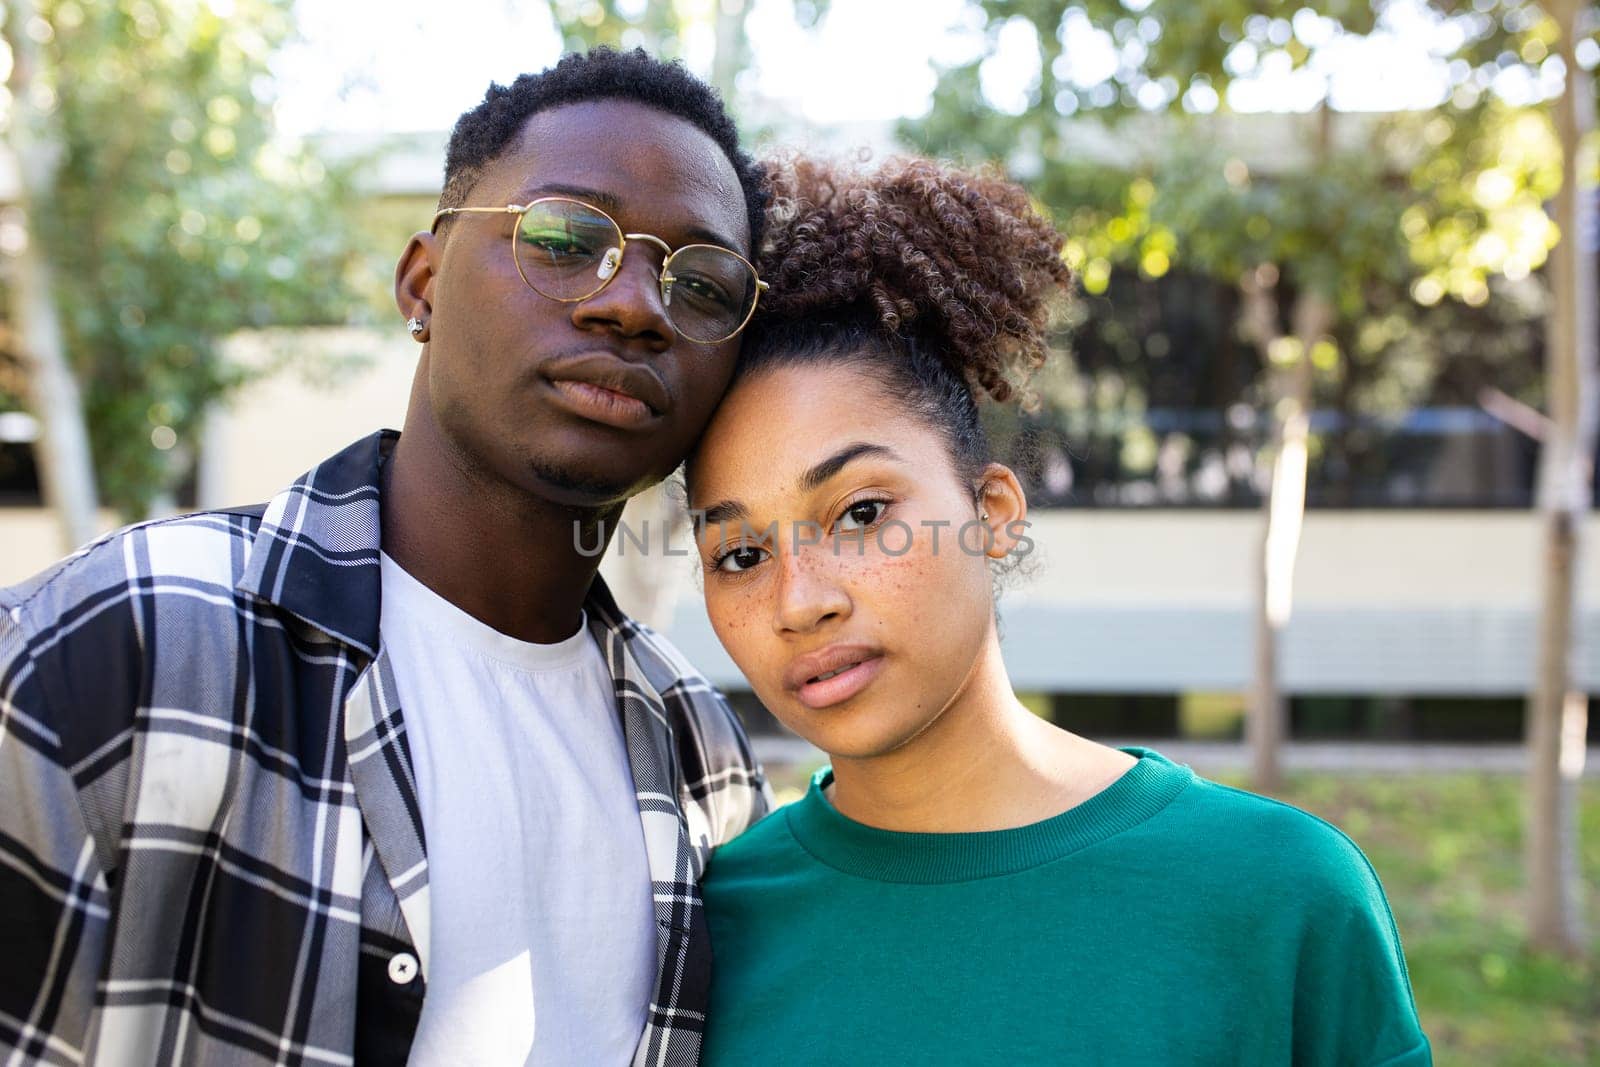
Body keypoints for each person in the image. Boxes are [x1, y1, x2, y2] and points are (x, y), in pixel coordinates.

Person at [0, 49, 773, 1067]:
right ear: (422, 283)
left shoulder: (701, 756)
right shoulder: (127, 641)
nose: (632, 303)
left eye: (702, 284)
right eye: (564, 236)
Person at [685, 156, 1432, 1066]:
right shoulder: (700, 938)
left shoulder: (1279, 898)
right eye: (742, 554)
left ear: (992, 515)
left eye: (862, 513)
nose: (800, 600)